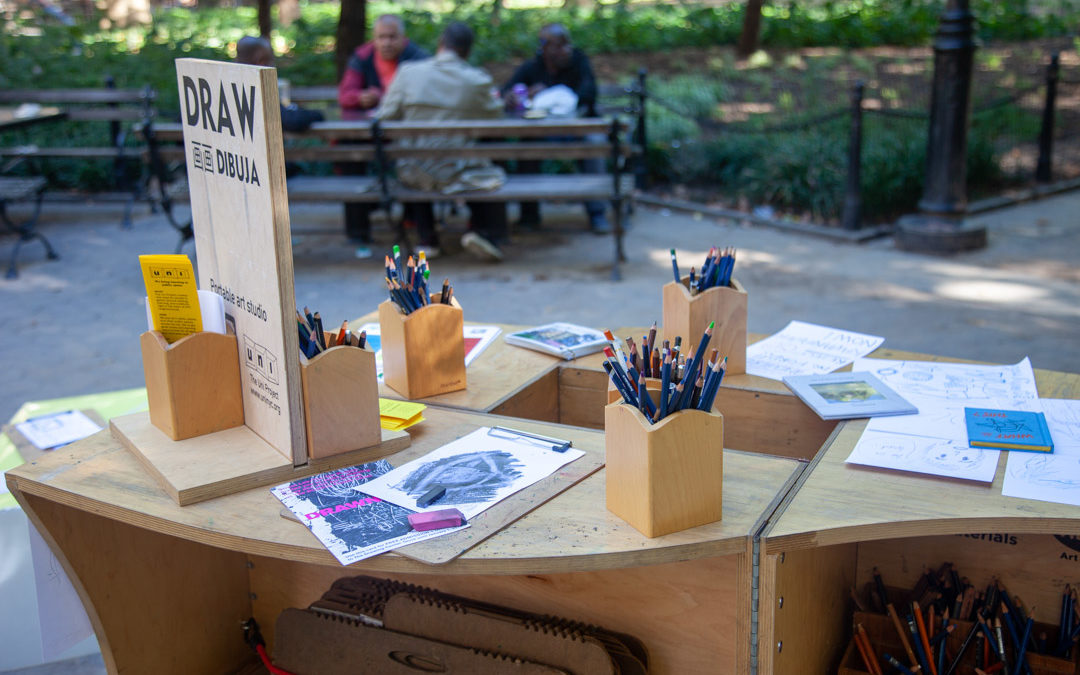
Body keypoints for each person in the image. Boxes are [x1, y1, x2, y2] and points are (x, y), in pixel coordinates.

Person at [374, 21, 508, 262]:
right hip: (457, 172)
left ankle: (427, 238)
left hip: (412, 172)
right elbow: (496, 117)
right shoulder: (476, 80)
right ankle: (480, 230)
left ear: (440, 44)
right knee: (486, 167)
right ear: (467, 51)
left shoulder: (407, 73)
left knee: (419, 158)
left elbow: (384, 116)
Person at [501, 23, 612, 235]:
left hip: (577, 130)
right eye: (559, 45)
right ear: (544, 48)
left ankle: (597, 214)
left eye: (567, 44)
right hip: (541, 133)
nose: (566, 49)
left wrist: (553, 94)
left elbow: (589, 95)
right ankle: (529, 216)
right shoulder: (532, 67)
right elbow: (506, 92)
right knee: (526, 148)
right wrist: (516, 96)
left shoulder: (579, 61)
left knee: (593, 144)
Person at [337, 15, 429, 257]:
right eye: (381, 37)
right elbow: (345, 94)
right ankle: (357, 231)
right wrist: (361, 97)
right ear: (374, 39)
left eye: (392, 37)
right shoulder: (362, 57)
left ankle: (420, 227)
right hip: (368, 132)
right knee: (349, 153)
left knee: (418, 153)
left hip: (407, 132)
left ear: (403, 38)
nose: (386, 42)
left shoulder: (418, 58)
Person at [235, 36, 324, 133]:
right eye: (270, 60)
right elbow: (290, 121)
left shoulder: (229, 83)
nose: (272, 65)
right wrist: (317, 114)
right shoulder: (255, 88)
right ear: (261, 61)